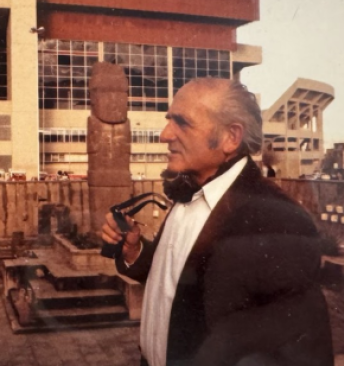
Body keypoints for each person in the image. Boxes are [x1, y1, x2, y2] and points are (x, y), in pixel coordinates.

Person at [102, 78, 332, 366]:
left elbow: (300, 352)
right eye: (169, 120)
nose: (164, 134)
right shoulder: (189, 190)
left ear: (230, 137)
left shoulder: (278, 219)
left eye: (182, 123)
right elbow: (177, 280)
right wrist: (135, 252)